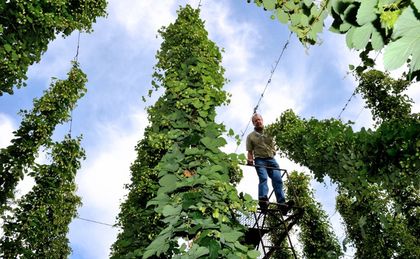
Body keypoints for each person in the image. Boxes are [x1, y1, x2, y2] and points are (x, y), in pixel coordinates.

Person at [246, 113, 286, 209]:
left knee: (278, 179)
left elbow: (279, 136)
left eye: (259, 120)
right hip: (260, 160)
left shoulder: (270, 131)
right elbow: (250, 151)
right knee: (263, 178)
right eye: (255, 121)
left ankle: (282, 204)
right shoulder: (250, 136)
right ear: (253, 123)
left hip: (271, 159)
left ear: (262, 120)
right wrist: (250, 160)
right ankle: (263, 199)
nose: (257, 122)